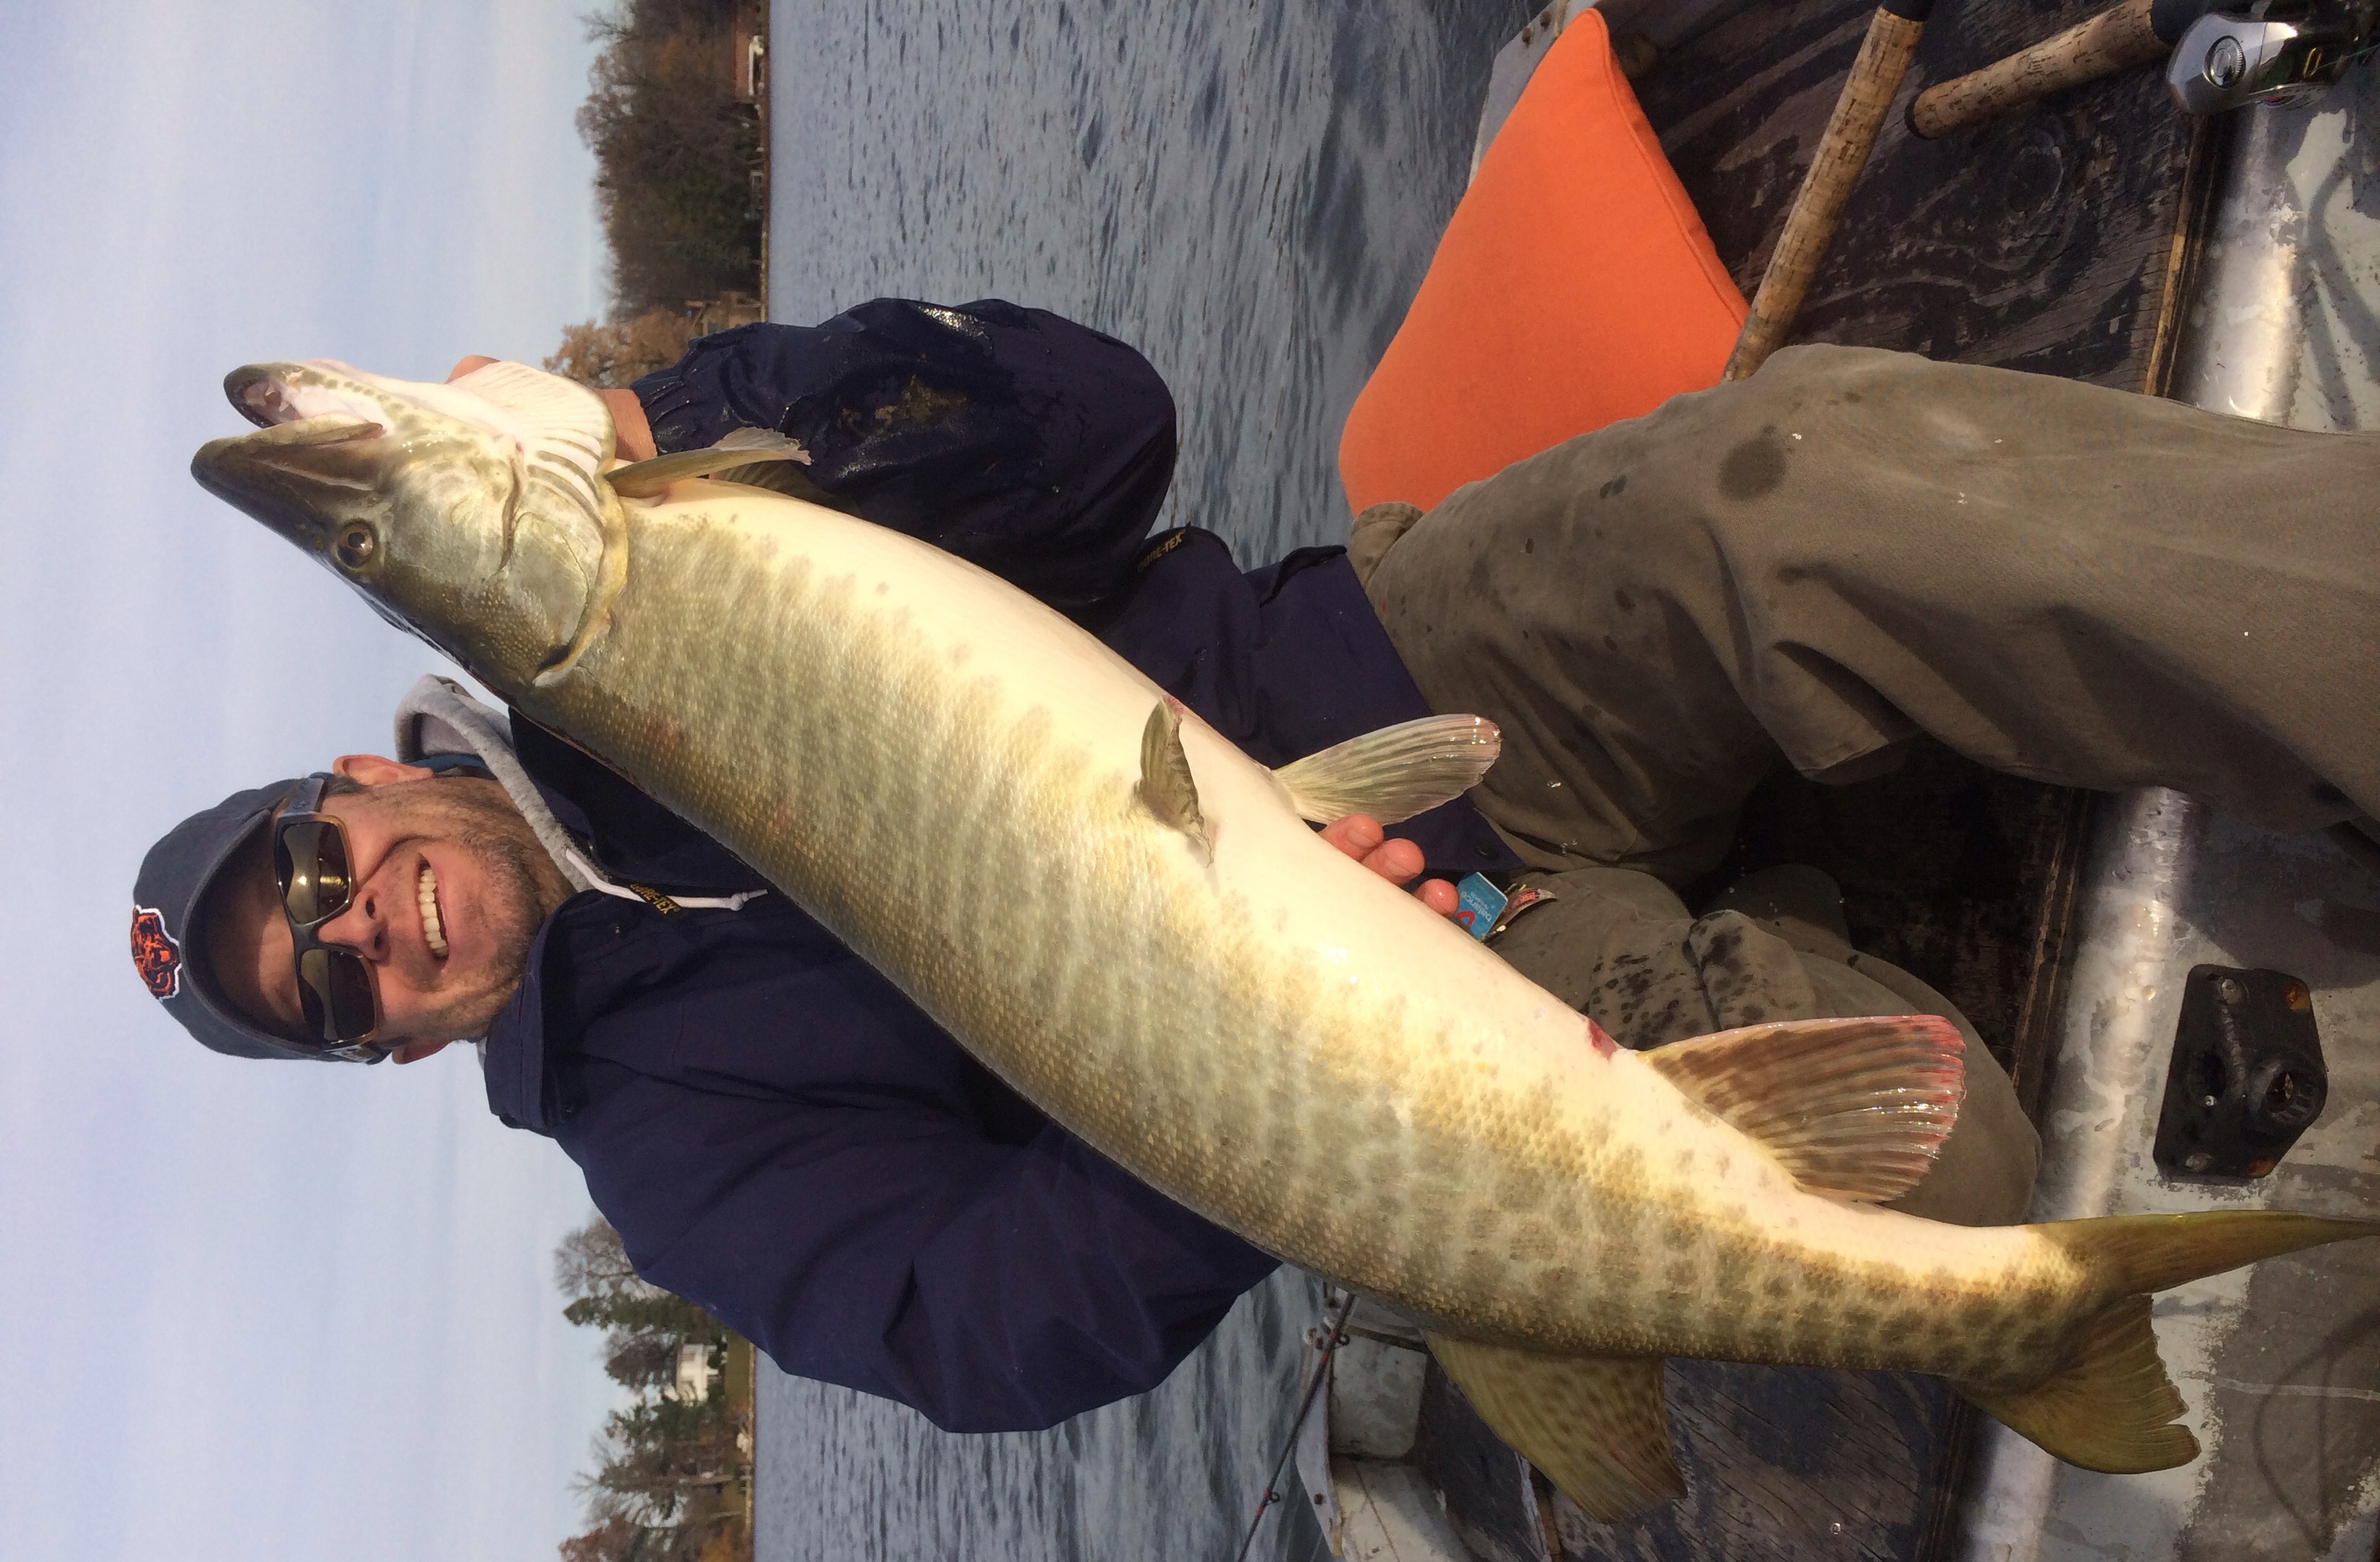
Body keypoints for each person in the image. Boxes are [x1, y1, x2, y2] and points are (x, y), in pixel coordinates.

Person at [133, 298, 2380, 1431]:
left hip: (1399, 661)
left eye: (310, 880)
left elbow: (1097, 426)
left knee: (1816, 493)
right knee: (1949, 1200)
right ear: (392, 1052)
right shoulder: (671, 1150)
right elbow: (982, 1328)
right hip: (1410, 1063)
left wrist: (712, 413)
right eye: (328, 998)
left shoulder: (706, 496)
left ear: (359, 770)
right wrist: (1226, 1062)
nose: (363, 942)